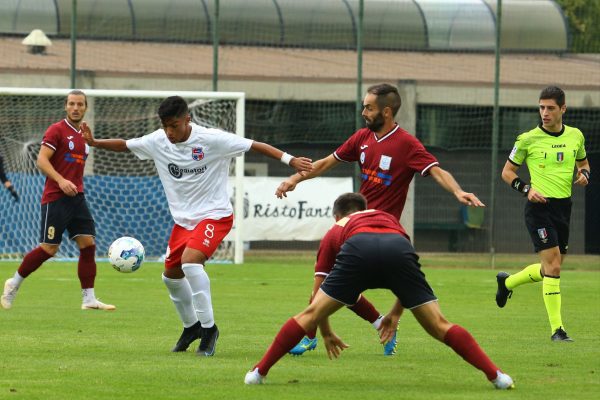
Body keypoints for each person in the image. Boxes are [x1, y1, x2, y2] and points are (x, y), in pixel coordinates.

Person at [82, 95, 313, 357]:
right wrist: (94, 142)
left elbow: (254, 145)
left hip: (215, 216)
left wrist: (290, 160)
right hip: (184, 222)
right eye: (166, 126)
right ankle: (190, 327)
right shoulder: (158, 140)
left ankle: (209, 329)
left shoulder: (211, 139)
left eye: (175, 126)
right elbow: (125, 144)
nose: (170, 132)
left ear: (187, 120)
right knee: (170, 276)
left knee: (191, 263)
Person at [277, 83, 484, 355]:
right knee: (325, 285)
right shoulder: (362, 138)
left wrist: (457, 190)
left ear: (386, 112)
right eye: (364, 106)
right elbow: (327, 162)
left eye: (369, 107)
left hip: (385, 231)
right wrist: (295, 179)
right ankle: (327, 332)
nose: (363, 111)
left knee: (335, 287)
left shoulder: (407, 144)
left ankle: (358, 325)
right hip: (354, 226)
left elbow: (436, 170)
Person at [244, 193, 514, 389]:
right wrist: (396, 314)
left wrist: (325, 332)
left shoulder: (336, 228)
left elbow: (315, 300)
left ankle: (259, 372)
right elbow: (407, 262)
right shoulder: (388, 219)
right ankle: (497, 376)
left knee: (308, 314)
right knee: (439, 325)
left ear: (338, 216)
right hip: (398, 248)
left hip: (357, 249)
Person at [1, 90, 114, 311]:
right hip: (56, 198)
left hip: (77, 198)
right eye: (72, 104)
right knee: (49, 249)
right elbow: (42, 161)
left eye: (80, 104)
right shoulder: (56, 130)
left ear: (85, 108)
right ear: (66, 106)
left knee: (88, 244)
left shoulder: (84, 137)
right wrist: (61, 181)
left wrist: (73, 185)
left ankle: (88, 298)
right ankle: (13, 283)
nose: (76, 108)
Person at [496, 86, 590, 342]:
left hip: (563, 208)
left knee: (550, 267)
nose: (545, 113)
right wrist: (526, 189)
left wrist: (585, 175)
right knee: (554, 266)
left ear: (563, 109)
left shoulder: (576, 136)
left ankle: (507, 283)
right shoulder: (527, 139)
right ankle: (557, 330)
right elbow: (507, 172)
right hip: (538, 209)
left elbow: (583, 163)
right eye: (541, 107)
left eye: (550, 108)